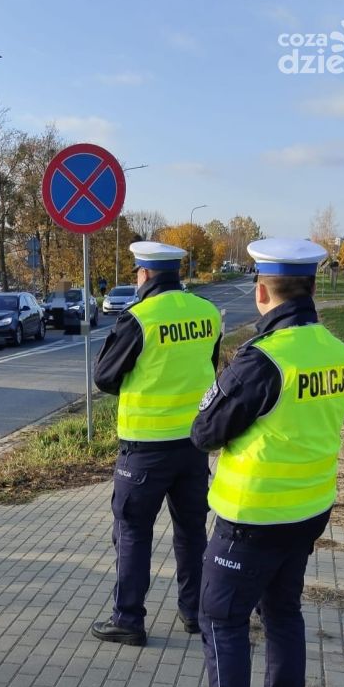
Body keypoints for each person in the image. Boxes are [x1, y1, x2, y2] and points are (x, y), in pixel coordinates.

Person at [165, 238, 344, 687]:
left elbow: (205, 431)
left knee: (221, 621)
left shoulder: (262, 359)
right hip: (308, 510)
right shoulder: (341, 355)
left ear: (261, 291)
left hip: (250, 516)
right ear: (312, 287)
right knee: (282, 612)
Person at [91, 241, 222, 647]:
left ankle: (128, 619)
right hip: (193, 444)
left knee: (132, 531)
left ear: (144, 274)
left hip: (144, 448)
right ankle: (195, 612)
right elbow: (211, 364)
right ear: (176, 273)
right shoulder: (207, 313)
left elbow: (104, 377)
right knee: (191, 531)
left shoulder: (138, 319)